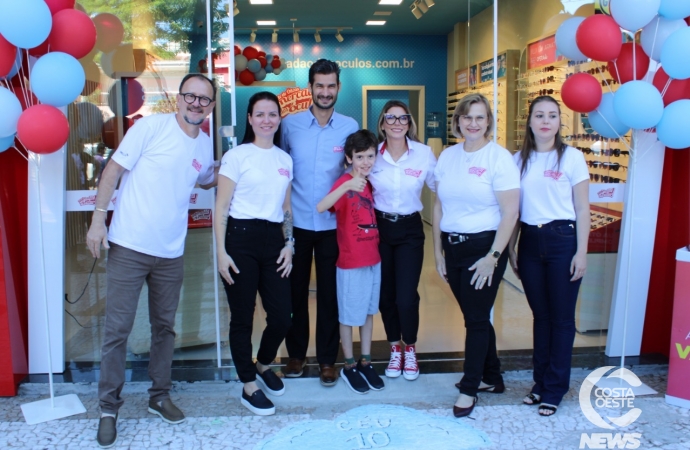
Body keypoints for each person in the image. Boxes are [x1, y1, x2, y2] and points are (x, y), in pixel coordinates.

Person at [86, 73, 217, 448]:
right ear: (178, 99)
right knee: (117, 331)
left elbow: (204, 178)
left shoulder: (204, 145)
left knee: (165, 329)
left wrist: (233, 166)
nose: (196, 104)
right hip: (129, 245)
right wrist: (98, 221)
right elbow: (112, 171)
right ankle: (108, 409)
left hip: (170, 253)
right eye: (190, 96)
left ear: (209, 107)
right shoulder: (150, 129)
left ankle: (160, 396)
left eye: (204, 100)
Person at [432, 93, 520, 418]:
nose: (473, 123)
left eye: (479, 117)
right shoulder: (447, 156)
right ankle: (492, 375)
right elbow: (439, 205)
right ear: (458, 122)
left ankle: (470, 388)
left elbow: (510, 212)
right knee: (475, 314)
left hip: (484, 248)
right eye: (467, 117)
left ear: (488, 122)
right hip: (452, 247)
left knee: (476, 320)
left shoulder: (499, 159)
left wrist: (493, 256)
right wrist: (437, 251)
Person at [508, 95, 589, 417]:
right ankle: (539, 383)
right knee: (540, 318)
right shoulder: (518, 160)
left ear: (559, 122)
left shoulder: (572, 158)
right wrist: (512, 247)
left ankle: (555, 388)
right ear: (529, 121)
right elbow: (512, 209)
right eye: (539, 115)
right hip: (529, 241)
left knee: (561, 319)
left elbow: (582, 208)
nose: (545, 121)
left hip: (562, 241)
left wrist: (582, 252)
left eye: (552, 116)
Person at [214, 91, 294, 416]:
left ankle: (262, 364)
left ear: (278, 118)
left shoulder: (284, 160)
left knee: (281, 316)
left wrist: (290, 244)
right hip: (240, 239)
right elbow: (221, 207)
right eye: (259, 114)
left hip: (273, 240)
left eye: (272, 114)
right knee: (243, 318)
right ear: (250, 119)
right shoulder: (237, 156)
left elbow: (286, 208)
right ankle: (248, 385)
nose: (266, 120)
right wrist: (220, 252)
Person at [280, 59, 358, 386]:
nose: (325, 92)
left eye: (331, 86)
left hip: (332, 226)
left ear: (338, 88)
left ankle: (328, 359)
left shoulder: (349, 127)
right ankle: (296, 355)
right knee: (294, 294)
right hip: (296, 225)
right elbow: (280, 168)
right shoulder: (290, 125)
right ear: (310, 88)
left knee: (329, 295)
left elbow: (357, 171)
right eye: (319, 86)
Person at [368, 100, 436, 381]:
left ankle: (410, 347)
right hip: (379, 229)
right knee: (386, 296)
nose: (397, 123)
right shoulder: (372, 155)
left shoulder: (424, 154)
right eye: (391, 118)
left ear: (410, 123)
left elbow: (442, 188)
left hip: (409, 230)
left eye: (403, 118)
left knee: (406, 297)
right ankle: (394, 347)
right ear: (382, 124)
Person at [316, 129, 384, 394]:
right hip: (351, 261)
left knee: (368, 312)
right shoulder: (345, 182)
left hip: (372, 258)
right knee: (348, 315)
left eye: (370, 156)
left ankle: (366, 361)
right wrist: (346, 185)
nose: (365, 162)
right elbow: (321, 207)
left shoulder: (370, 182)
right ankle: (348, 364)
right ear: (348, 158)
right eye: (359, 157)